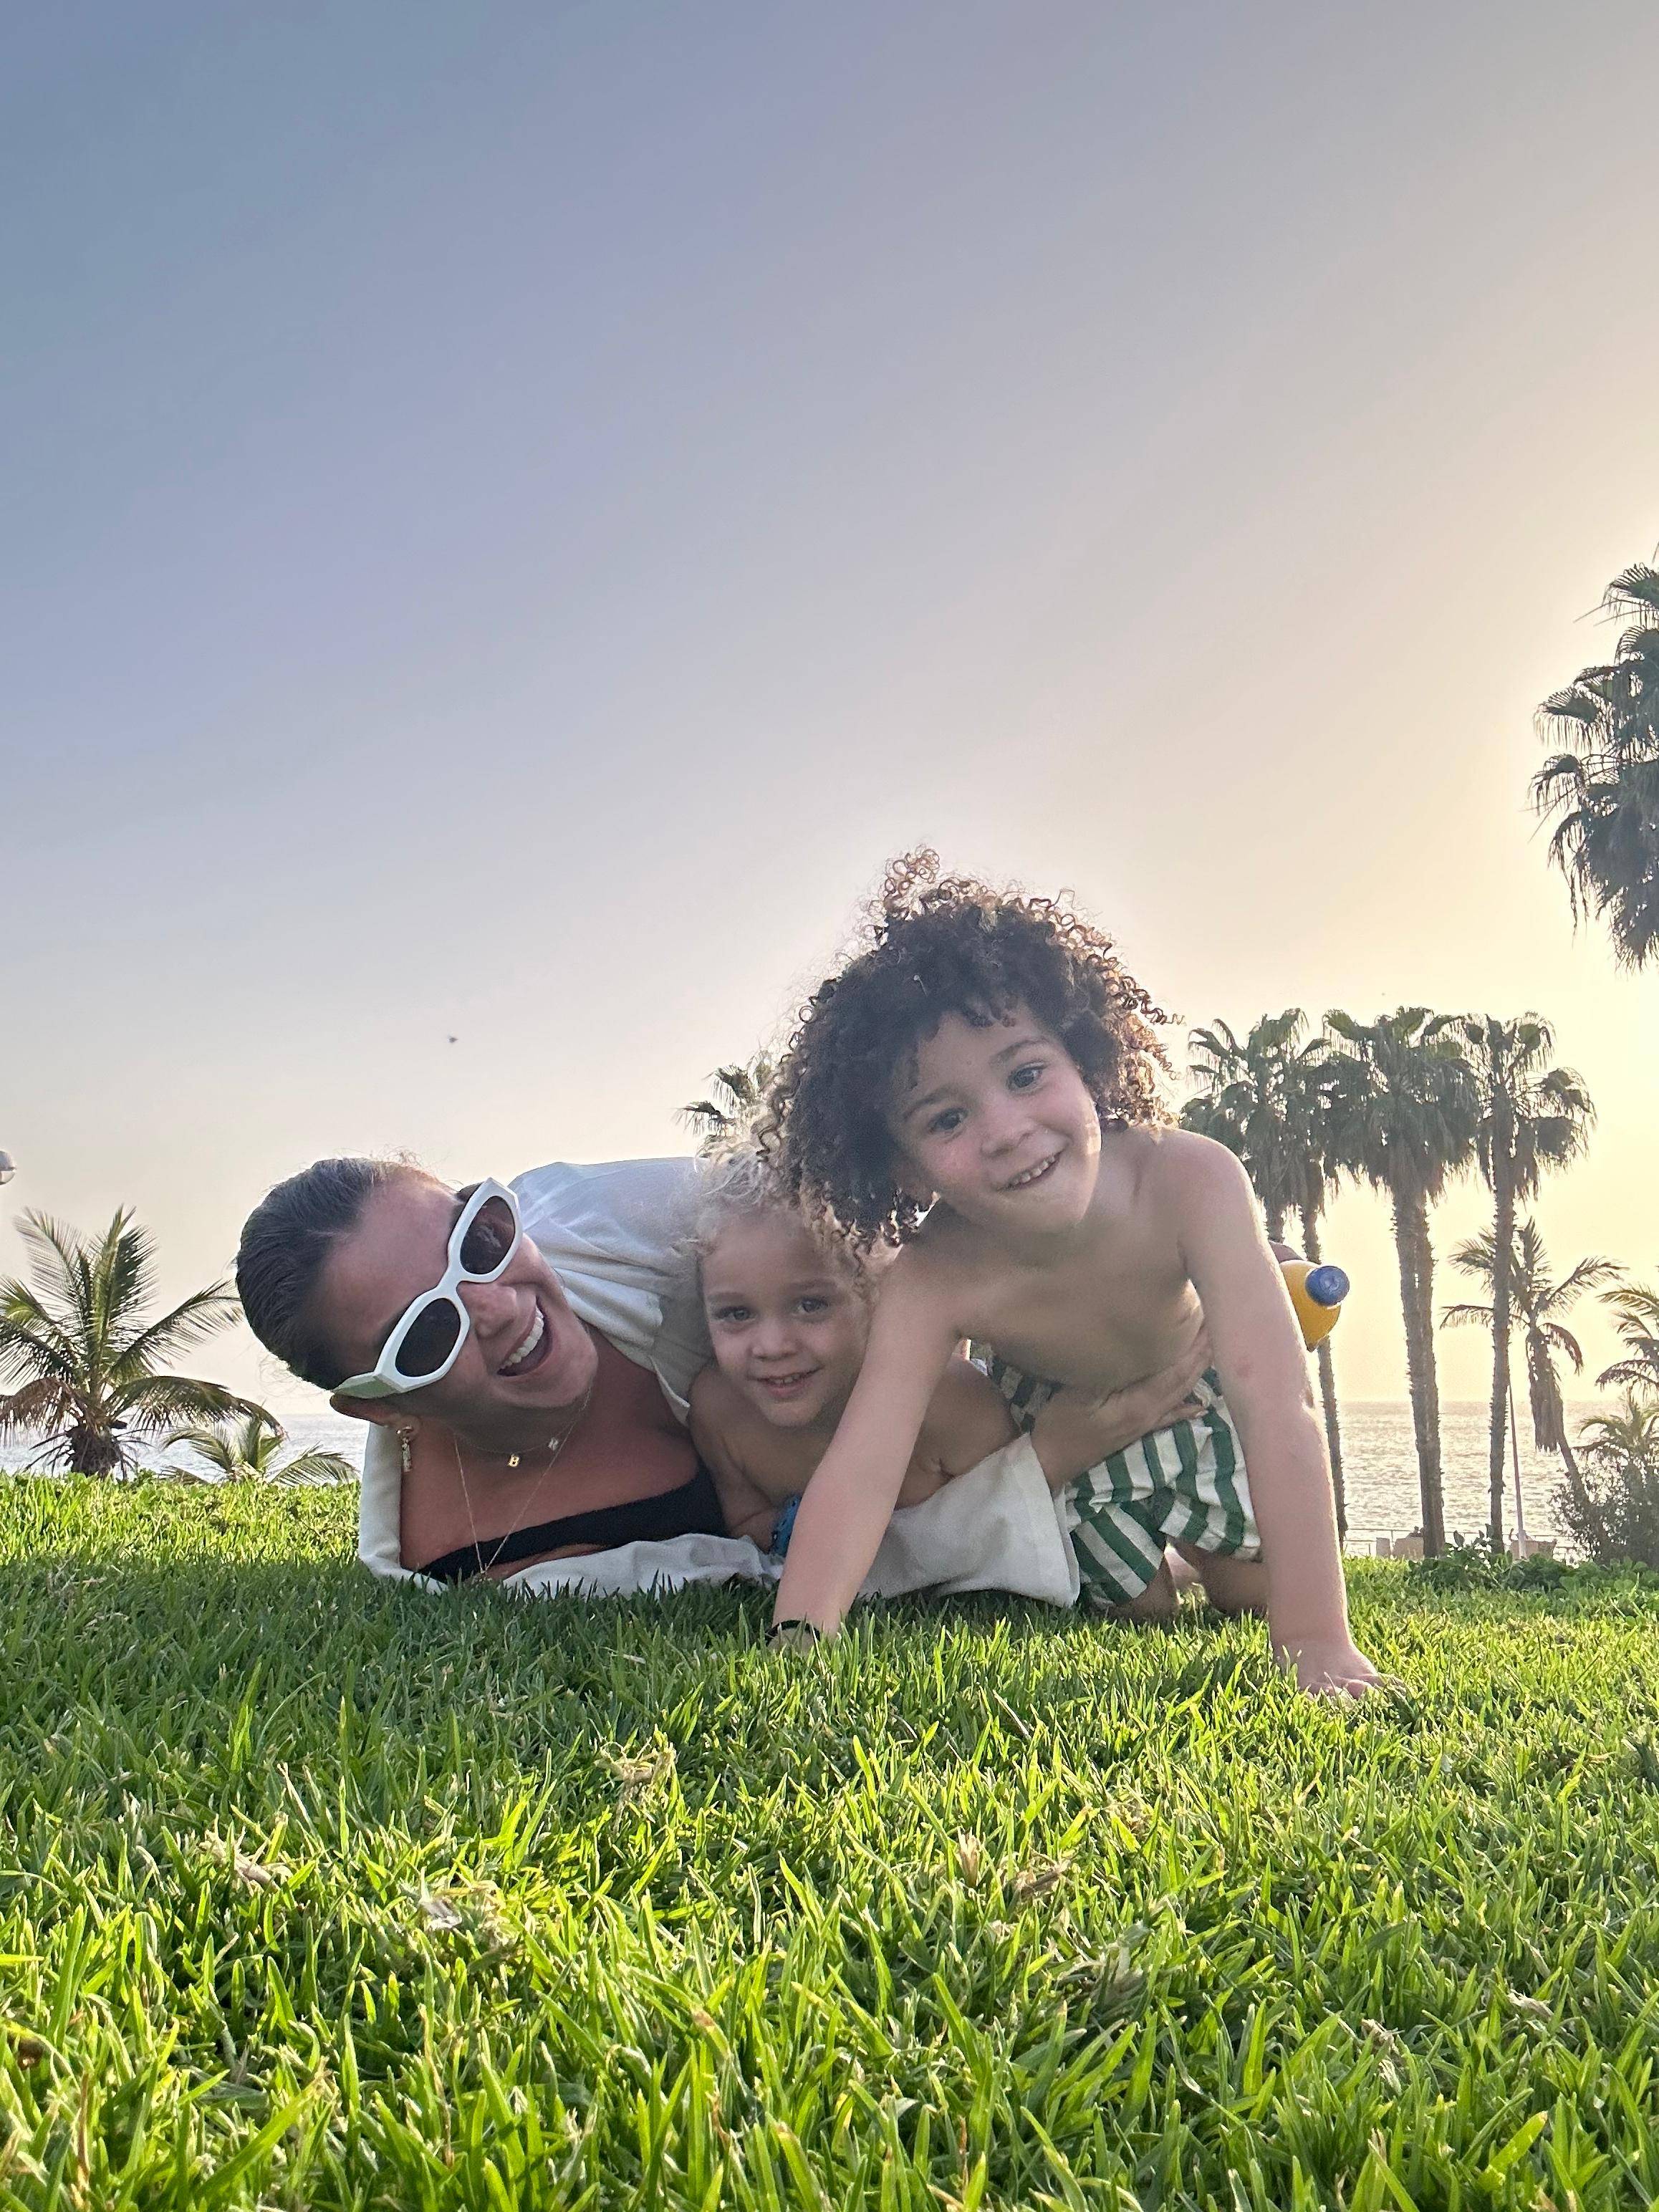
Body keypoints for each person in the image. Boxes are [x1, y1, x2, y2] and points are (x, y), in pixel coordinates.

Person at [762, 852, 1379, 1697]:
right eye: (947, 1117)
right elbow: (862, 1465)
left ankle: (1221, 1562)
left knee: (1251, 1594)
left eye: (1025, 1073)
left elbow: (1276, 1402)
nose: (1008, 1129)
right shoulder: (934, 1274)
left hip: (1201, 1404)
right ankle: (1162, 1564)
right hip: (1073, 1438)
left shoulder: (1192, 1177)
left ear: (1086, 1061)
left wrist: (1313, 1635)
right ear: (903, 1171)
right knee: (1138, 1611)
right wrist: (800, 1638)